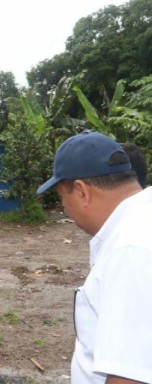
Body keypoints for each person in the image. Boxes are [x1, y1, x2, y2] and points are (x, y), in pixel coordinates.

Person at [37, 131, 152, 383]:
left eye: (61, 198)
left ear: (81, 191)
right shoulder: (139, 223)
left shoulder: (130, 250)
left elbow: (130, 376)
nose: (64, 208)